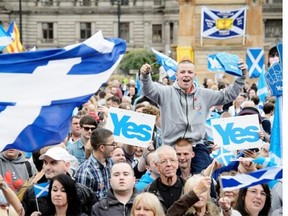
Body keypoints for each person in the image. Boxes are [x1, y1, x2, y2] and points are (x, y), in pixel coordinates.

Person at [140, 59, 247, 173]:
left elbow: (227, 95)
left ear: (194, 75)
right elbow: (149, 90)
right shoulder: (165, 92)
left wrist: (242, 76)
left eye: (190, 72)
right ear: (176, 75)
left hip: (197, 146)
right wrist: (145, 76)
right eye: (183, 72)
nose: (186, 75)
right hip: (171, 146)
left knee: (204, 180)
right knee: (170, 181)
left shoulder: (204, 94)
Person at [22, 146, 96, 216]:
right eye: (45, 162)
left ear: (67, 165)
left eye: (53, 163)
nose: (47, 167)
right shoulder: (32, 193)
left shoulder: (83, 192)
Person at [74, 128, 116, 201]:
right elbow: (83, 202)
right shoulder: (86, 171)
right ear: (102, 148)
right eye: (112, 144)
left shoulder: (111, 163)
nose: (114, 146)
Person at [144, 145, 185, 212]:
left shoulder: (188, 188)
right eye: (163, 161)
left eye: (172, 160)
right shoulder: (148, 191)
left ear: (177, 163)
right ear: (157, 166)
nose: (169, 164)